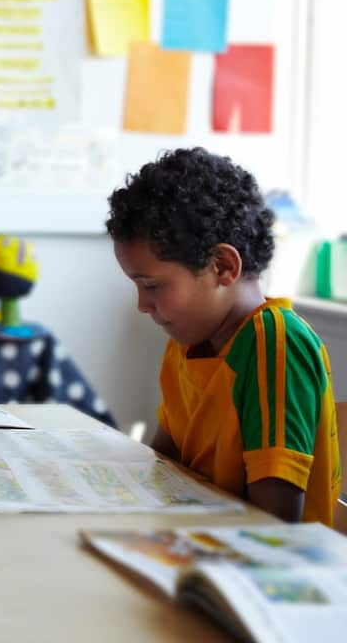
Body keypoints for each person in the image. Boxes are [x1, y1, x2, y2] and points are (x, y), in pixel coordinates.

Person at [108, 148, 340, 526]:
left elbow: (274, 522)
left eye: (151, 285)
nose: (143, 305)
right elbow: (163, 463)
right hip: (195, 539)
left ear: (223, 266)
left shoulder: (275, 343)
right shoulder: (187, 341)